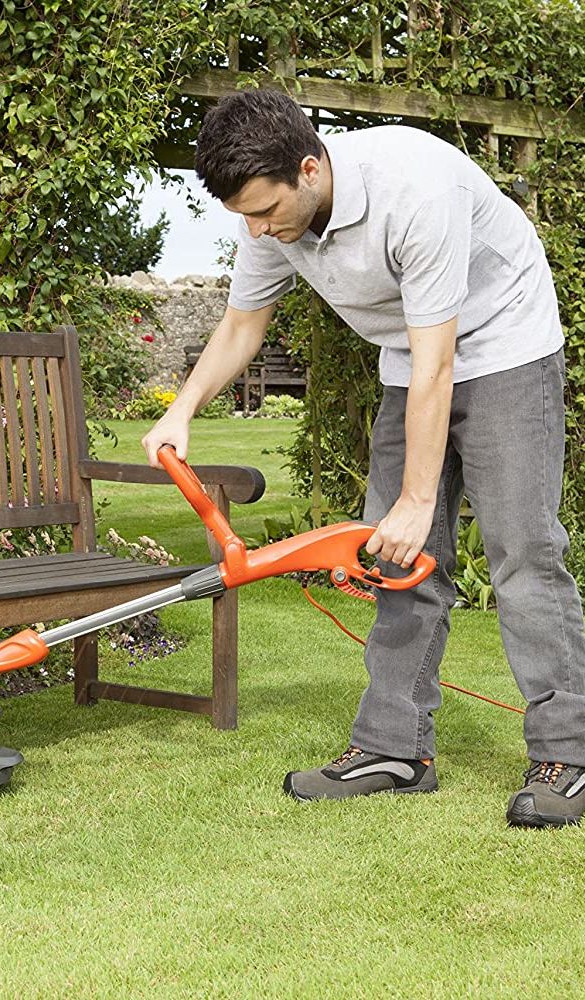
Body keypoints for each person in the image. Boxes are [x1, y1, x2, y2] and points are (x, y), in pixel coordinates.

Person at [141, 89, 585, 828]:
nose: (256, 230)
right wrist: (180, 411)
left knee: (523, 554)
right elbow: (242, 325)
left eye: (263, 210)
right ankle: (394, 749)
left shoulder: (415, 188)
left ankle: (570, 755)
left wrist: (417, 501)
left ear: (310, 168)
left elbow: (439, 360)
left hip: (505, 344)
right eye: (242, 217)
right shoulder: (269, 222)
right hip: (412, 362)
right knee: (395, 560)